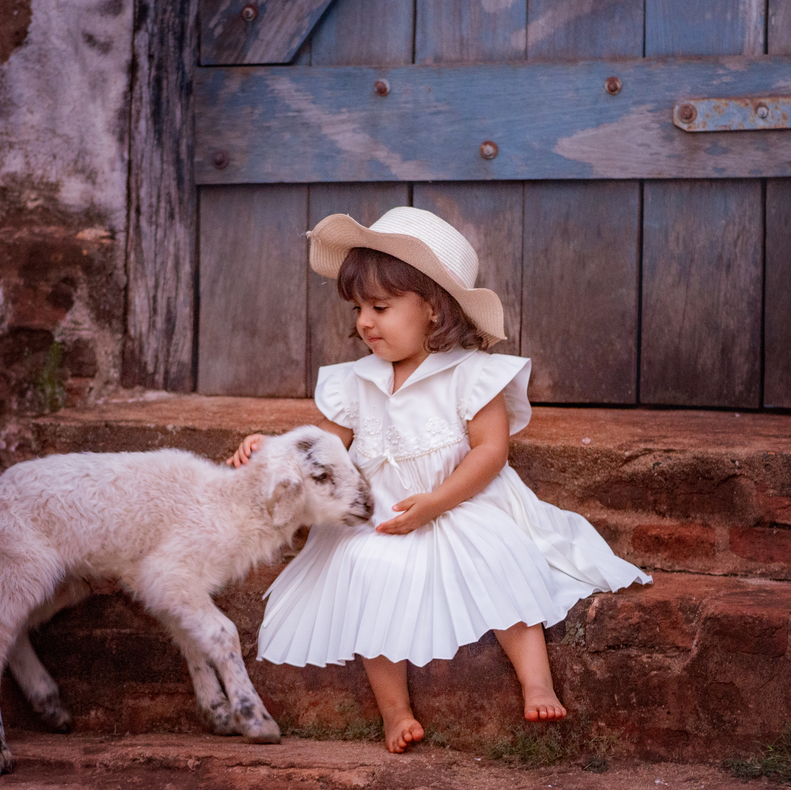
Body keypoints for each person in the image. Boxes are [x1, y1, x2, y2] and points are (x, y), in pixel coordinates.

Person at [227, 207, 651, 753]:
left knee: (500, 554)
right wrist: (272, 450)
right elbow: (323, 447)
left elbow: (491, 451)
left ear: (432, 307)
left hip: (461, 503)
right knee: (365, 570)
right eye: (359, 309)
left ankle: (536, 680)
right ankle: (394, 710)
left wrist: (437, 502)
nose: (365, 322)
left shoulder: (472, 374)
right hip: (385, 516)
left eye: (380, 307)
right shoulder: (357, 380)